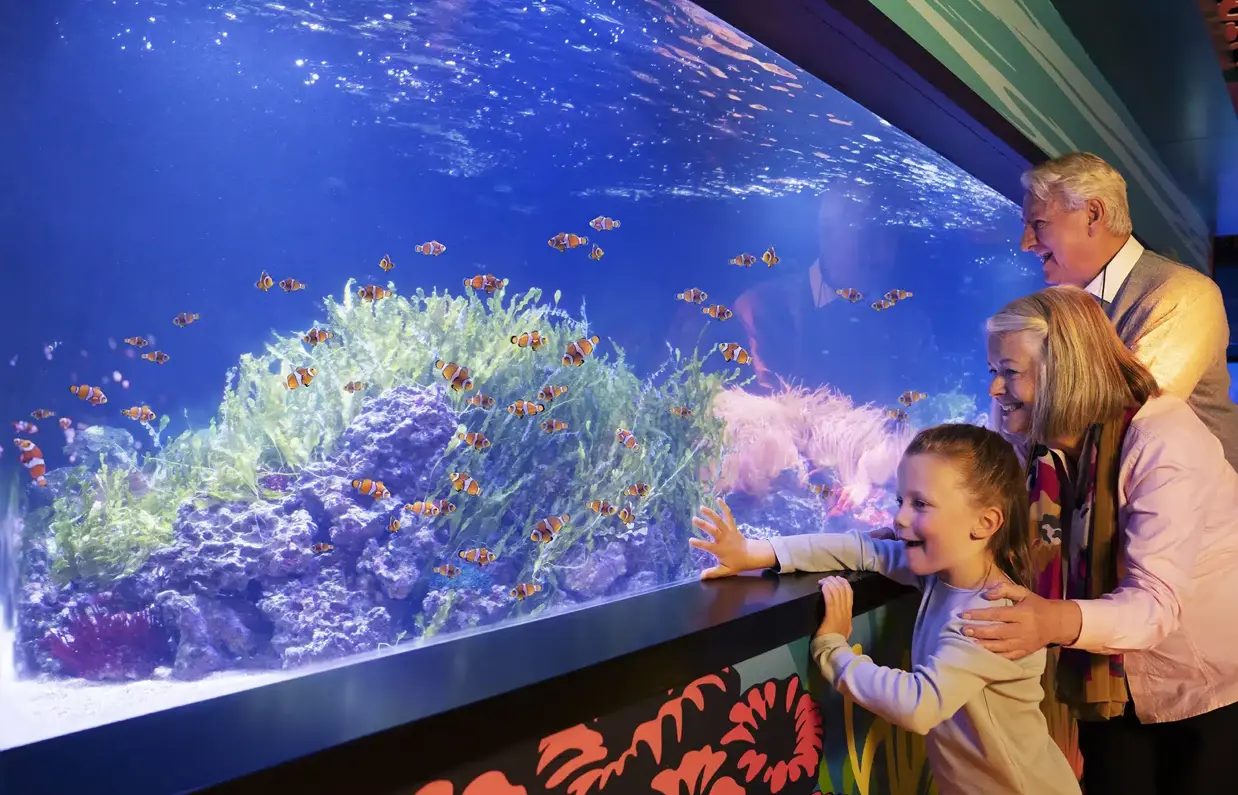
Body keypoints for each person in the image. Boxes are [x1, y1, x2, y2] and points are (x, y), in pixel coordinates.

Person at [690, 424, 1081, 795]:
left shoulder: (992, 614)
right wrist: (754, 553)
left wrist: (833, 649)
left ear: (985, 522)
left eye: (920, 504)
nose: (899, 517)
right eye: (900, 501)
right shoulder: (939, 577)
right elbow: (862, 549)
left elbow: (919, 705)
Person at [965, 285, 1238, 795]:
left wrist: (1049, 621)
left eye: (1009, 372)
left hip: (1205, 686)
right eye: (992, 371)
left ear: (1065, 370)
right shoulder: (1036, 442)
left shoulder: (1162, 441)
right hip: (1109, 686)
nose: (994, 390)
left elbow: (1154, 604)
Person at [1019, 151, 1237, 471]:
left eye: (1039, 224)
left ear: (1093, 214)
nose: (1025, 243)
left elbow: (1127, 420)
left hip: (1197, 498)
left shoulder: (1184, 293)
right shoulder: (1066, 307)